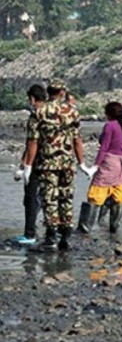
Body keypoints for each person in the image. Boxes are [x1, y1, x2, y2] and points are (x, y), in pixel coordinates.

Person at [22, 79, 94, 250]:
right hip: (67, 164)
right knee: (66, 197)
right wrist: (82, 163)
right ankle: (66, 235)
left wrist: (27, 166)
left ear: (48, 93)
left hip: (48, 163)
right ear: (62, 93)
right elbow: (77, 139)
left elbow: (33, 142)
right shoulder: (72, 112)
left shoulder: (39, 112)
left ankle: (51, 236)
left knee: (50, 199)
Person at [78, 102, 122, 234]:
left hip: (109, 163)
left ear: (108, 114)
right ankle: (114, 227)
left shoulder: (110, 126)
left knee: (96, 193)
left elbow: (104, 148)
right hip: (121, 165)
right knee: (118, 194)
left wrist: (95, 166)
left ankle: (85, 228)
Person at [13, 84, 47, 244]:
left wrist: (26, 166)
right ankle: (54, 233)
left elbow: (32, 143)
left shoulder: (36, 115)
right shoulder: (56, 113)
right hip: (54, 162)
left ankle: (30, 234)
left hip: (37, 162)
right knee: (51, 198)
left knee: (31, 198)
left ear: (32, 99)